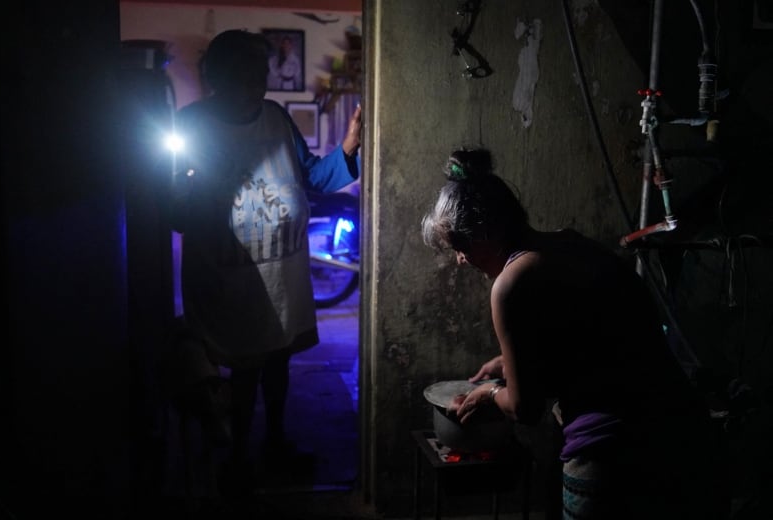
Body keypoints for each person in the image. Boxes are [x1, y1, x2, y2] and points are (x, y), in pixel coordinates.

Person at [421, 148, 725, 519]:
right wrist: (513, 363)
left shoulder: (511, 284)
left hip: (614, 460)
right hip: (685, 438)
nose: (461, 259)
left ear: (486, 231)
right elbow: (598, 344)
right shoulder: (570, 242)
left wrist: (491, 394)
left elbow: (525, 408)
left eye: (462, 247)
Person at [169, 29, 362, 479]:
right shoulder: (192, 124)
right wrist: (182, 193)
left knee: (276, 363)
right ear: (220, 75)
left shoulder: (275, 117)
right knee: (241, 369)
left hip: (281, 275)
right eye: (249, 69)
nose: (261, 79)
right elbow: (175, 207)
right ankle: (237, 458)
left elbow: (314, 176)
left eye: (263, 69)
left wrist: (349, 147)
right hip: (227, 277)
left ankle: (274, 443)